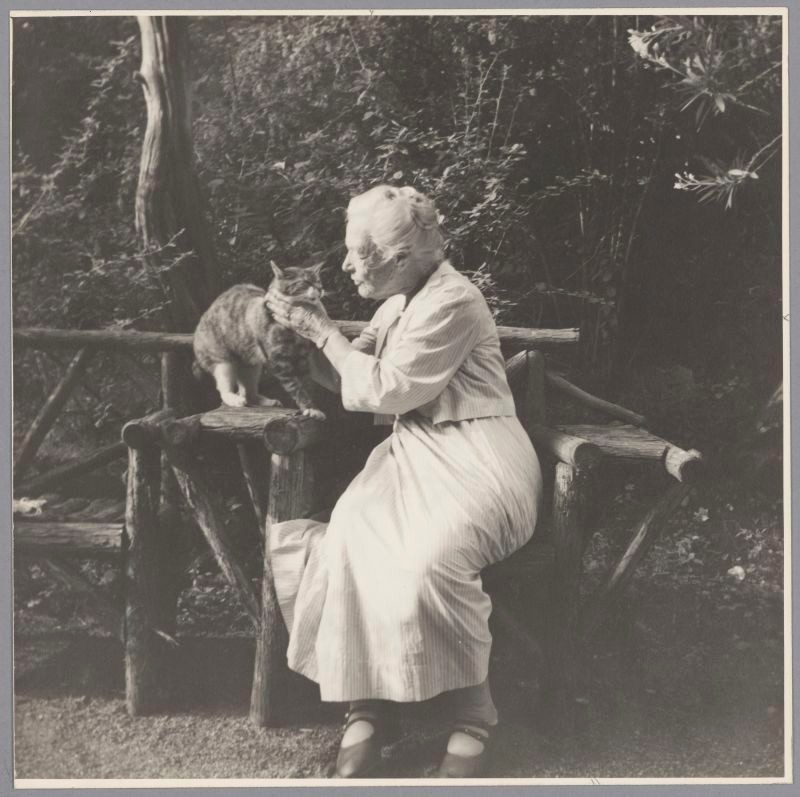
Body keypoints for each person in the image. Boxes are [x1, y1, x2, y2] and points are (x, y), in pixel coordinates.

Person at [264, 185, 543, 778]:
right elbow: (344, 377)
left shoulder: (454, 301)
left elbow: (388, 389)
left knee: (427, 563)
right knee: (347, 542)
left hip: (479, 460)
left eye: (357, 253)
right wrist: (296, 334)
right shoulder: (396, 304)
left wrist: (322, 332)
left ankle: (474, 714)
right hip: (411, 456)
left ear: (397, 257)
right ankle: (368, 706)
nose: (345, 265)